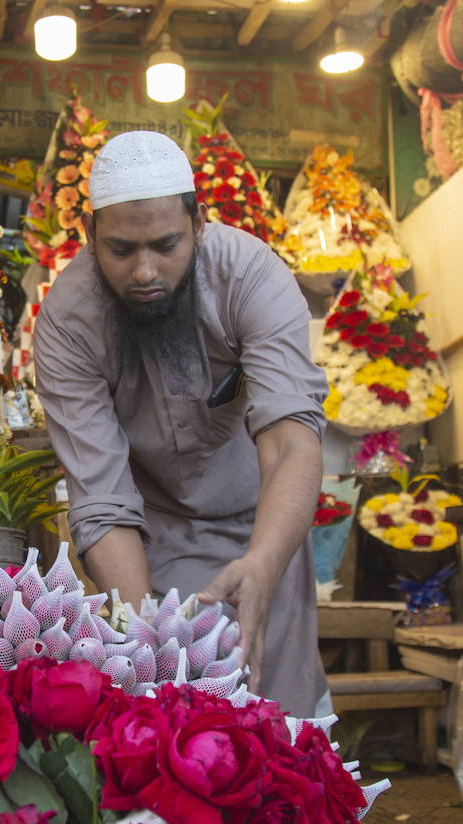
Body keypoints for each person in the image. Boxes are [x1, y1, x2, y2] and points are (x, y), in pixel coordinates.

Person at [32, 130, 327, 716]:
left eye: (165, 245)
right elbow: (101, 495)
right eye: (121, 250)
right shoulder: (67, 321)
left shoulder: (250, 276)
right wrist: (146, 636)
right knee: (170, 716)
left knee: (283, 722)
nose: (145, 271)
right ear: (89, 238)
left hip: (263, 527)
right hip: (152, 534)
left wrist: (264, 566)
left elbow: (291, 444)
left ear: (198, 224)